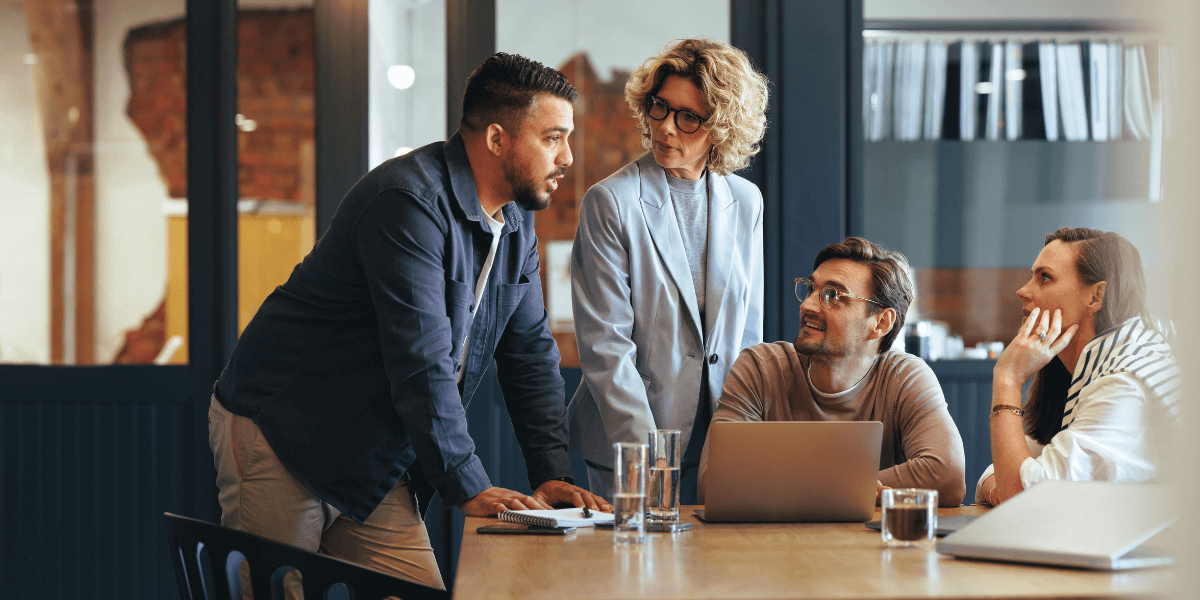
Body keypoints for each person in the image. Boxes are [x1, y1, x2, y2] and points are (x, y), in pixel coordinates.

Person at [208, 53, 608, 591]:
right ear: (496, 139)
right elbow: (421, 360)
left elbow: (530, 353)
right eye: (553, 138)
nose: (567, 157)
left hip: (370, 449)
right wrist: (469, 485)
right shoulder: (408, 203)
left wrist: (551, 474)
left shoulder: (515, 225)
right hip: (284, 431)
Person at [567, 38, 769, 503]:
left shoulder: (746, 201)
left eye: (688, 117)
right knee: (637, 573)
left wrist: (746, 438)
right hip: (633, 440)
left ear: (722, 126)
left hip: (722, 437)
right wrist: (646, 459)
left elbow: (747, 334)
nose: (666, 129)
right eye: (660, 108)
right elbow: (605, 347)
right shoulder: (610, 202)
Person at [697, 237, 966, 507]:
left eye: (833, 296)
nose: (808, 305)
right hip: (775, 544)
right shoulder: (760, 368)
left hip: (870, 546)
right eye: (812, 289)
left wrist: (794, 490)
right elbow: (714, 484)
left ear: (880, 322)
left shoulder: (904, 376)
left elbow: (947, 476)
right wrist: (850, 488)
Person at [977, 228, 1179, 506]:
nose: (1022, 291)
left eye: (1044, 278)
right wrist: (1002, 485)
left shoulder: (1123, 387)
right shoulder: (1091, 368)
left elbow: (1025, 500)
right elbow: (1004, 473)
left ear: (1095, 297)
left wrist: (1008, 379)